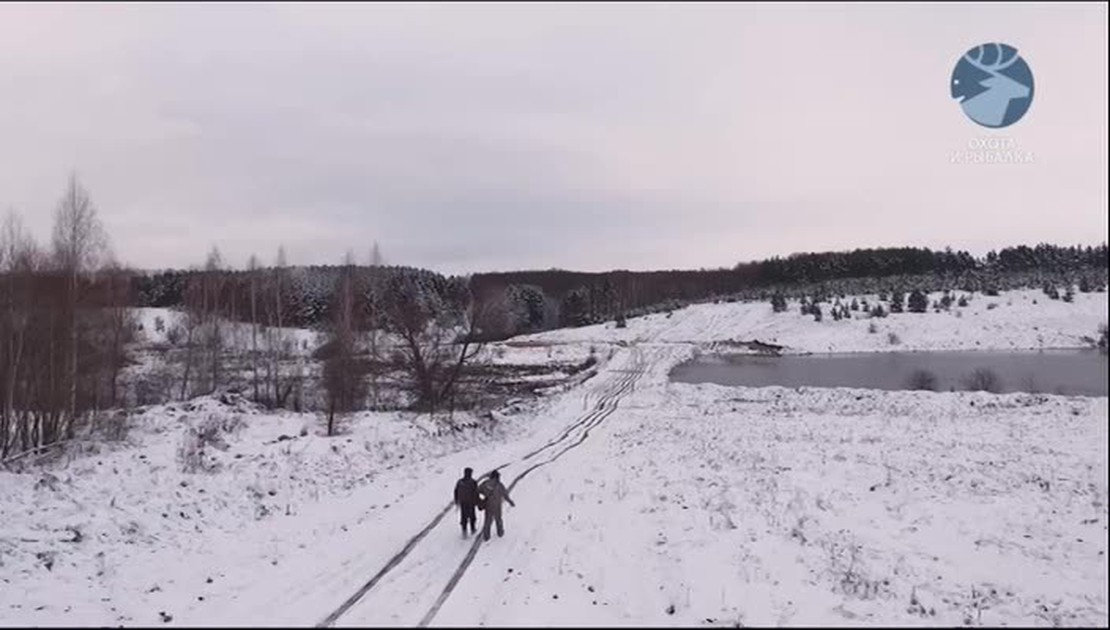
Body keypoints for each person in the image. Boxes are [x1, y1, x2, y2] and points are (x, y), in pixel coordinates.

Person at [477, 469, 516, 541]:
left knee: (487, 521)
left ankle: (486, 536)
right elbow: (505, 495)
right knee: (498, 519)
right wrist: (510, 502)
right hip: (497, 505)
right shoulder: (499, 485)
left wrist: (481, 499)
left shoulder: (485, 484)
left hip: (488, 505)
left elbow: (478, 491)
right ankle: (500, 532)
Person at [454, 467, 479, 538]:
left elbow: (456, 491)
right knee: (472, 516)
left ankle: (464, 531)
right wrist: (477, 501)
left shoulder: (460, 482)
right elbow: (476, 492)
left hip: (463, 502)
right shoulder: (473, 482)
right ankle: (473, 529)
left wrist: (457, 500)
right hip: (471, 502)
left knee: (464, 517)